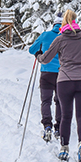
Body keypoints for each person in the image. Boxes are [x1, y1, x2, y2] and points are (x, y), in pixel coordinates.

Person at [37, 9, 81, 162]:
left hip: (65, 81)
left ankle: (64, 148)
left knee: (66, 116)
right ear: (75, 21)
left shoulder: (60, 39)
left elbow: (46, 58)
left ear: (63, 24)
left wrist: (38, 56)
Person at [28, 13, 63, 142]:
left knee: (46, 101)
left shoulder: (46, 35)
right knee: (60, 102)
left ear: (54, 24)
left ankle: (47, 126)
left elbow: (32, 49)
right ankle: (59, 128)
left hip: (46, 73)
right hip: (62, 74)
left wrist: (39, 53)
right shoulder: (66, 37)